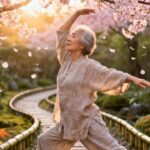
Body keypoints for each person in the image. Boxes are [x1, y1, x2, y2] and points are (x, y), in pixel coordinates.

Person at [37, 8, 150, 150]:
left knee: (113, 149)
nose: (69, 38)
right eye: (71, 36)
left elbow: (110, 74)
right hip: (68, 122)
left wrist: (132, 79)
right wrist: (76, 14)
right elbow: (61, 32)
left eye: (74, 36)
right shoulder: (66, 60)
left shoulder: (90, 66)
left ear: (82, 44)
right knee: (44, 141)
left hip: (87, 121)